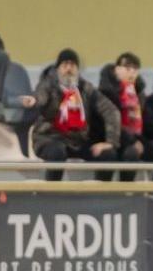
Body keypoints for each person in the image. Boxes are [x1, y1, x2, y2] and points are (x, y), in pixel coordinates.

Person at [31, 49, 122, 181]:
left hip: (77, 141)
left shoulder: (86, 88)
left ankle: (101, 195)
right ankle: (51, 195)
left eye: (73, 65)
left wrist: (111, 142)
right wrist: (35, 101)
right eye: (65, 65)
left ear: (78, 70)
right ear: (58, 69)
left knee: (108, 154)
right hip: (49, 138)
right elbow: (40, 98)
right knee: (57, 152)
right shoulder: (47, 85)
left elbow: (111, 110)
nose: (69, 69)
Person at [98, 52, 153, 182]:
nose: (132, 72)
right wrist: (132, 141)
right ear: (117, 69)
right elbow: (108, 123)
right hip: (112, 139)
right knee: (130, 153)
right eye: (127, 68)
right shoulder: (106, 92)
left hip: (136, 138)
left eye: (135, 69)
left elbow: (147, 122)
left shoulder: (139, 93)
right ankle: (123, 194)